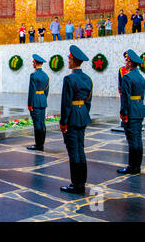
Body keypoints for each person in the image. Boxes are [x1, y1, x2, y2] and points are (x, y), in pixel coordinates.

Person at [59, 45, 93, 194]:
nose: (68, 60)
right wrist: (83, 114)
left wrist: (63, 121)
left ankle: (76, 185)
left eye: (69, 58)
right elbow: (88, 101)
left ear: (73, 60)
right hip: (82, 115)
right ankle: (82, 183)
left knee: (73, 151)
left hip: (72, 116)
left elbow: (66, 103)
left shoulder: (69, 79)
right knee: (81, 150)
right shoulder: (88, 79)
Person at [118, 50, 145, 175]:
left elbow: (125, 97)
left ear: (130, 63)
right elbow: (142, 95)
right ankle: (137, 166)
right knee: (138, 139)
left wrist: (123, 113)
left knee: (132, 140)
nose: (125, 62)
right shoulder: (141, 77)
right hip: (139, 109)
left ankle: (132, 167)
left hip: (130, 111)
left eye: (126, 60)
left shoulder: (127, 77)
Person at [27, 54, 49, 151]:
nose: (32, 63)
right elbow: (46, 91)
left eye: (33, 62)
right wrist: (43, 98)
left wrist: (29, 104)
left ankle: (38, 145)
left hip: (35, 101)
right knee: (42, 123)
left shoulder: (33, 75)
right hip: (42, 100)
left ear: (35, 63)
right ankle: (41, 144)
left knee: (37, 124)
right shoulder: (46, 76)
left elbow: (31, 90)